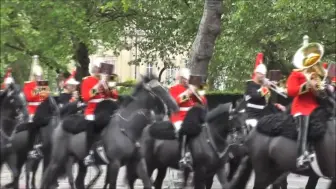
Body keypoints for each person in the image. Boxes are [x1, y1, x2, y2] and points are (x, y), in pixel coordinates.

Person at [81, 58, 118, 165]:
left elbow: (115, 95)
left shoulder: (108, 80)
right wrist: (98, 85)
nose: (101, 71)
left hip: (106, 108)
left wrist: (107, 85)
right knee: (91, 126)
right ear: (96, 69)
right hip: (92, 110)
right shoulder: (87, 80)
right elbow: (86, 97)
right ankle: (90, 153)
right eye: (99, 69)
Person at [169, 67, 207, 168]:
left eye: (188, 78)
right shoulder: (174, 89)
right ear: (181, 79)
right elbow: (176, 101)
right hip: (179, 117)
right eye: (185, 79)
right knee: (184, 130)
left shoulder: (195, 87)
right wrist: (188, 93)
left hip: (194, 116)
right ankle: (183, 156)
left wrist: (199, 90)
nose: (187, 81)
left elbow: (204, 101)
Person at [245, 53, 286, 128]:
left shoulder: (263, 85)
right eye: (260, 74)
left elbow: (266, 102)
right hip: (253, 115)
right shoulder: (250, 85)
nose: (262, 76)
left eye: (264, 74)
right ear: (256, 73)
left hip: (265, 114)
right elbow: (256, 97)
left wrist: (276, 105)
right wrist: (266, 88)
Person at [23, 55, 50, 159]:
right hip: (32, 111)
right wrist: (38, 89)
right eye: (37, 76)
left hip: (43, 110)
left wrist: (42, 89)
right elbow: (29, 97)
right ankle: (30, 149)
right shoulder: (28, 84)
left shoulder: (43, 84)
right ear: (34, 76)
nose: (39, 78)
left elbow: (45, 96)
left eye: (40, 76)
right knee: (32, 126)